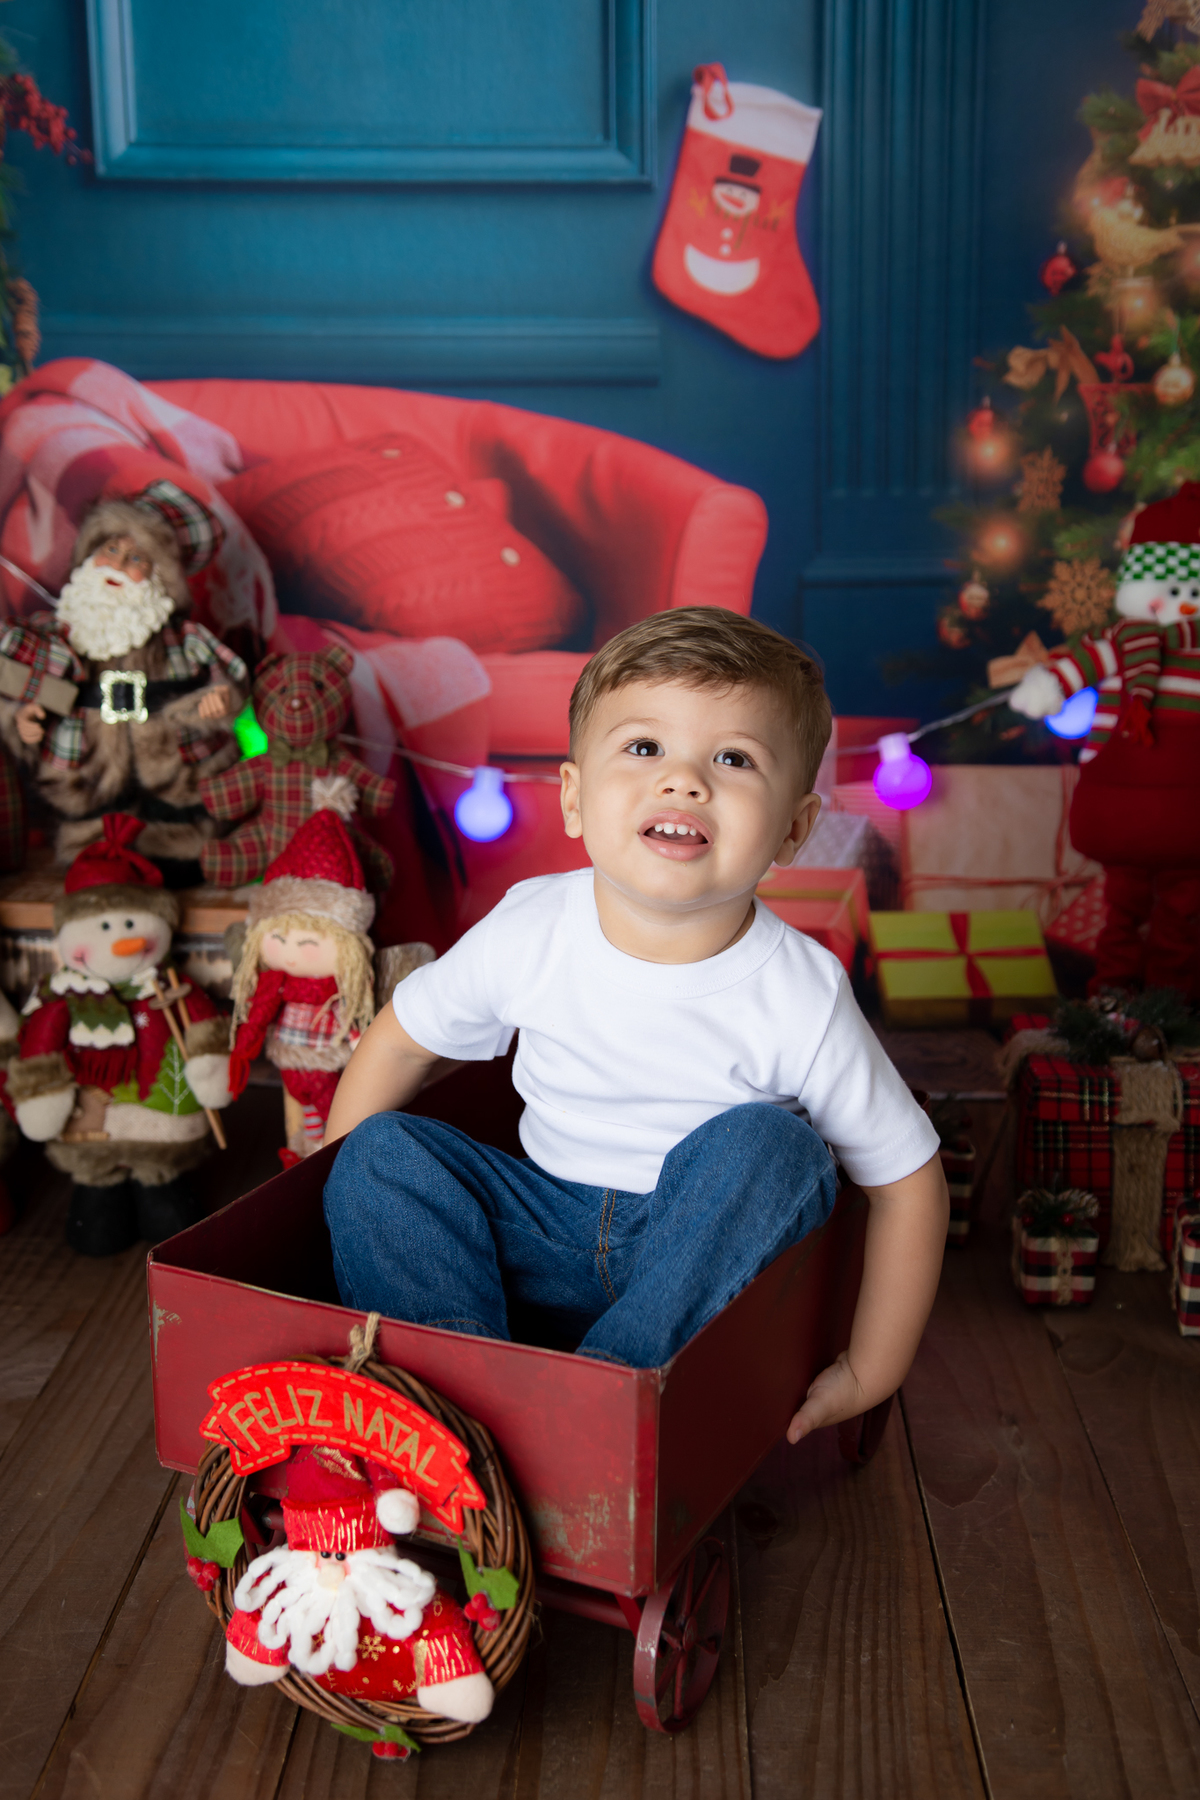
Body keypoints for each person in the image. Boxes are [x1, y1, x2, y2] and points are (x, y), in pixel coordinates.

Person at [323, 608, 946, 1443]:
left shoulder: (802, 991)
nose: (685, 780)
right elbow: (400, 1038)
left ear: (793, 829)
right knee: (380, 1154)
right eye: (645, 748)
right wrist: (327, 1198)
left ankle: (599, 1404)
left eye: (733, 758)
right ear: (575, 798)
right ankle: (454, 1394)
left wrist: (874, 1369)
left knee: (775, 1148)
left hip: (700, 1253)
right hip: (538, 1222)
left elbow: (909, 1182)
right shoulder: (532, 927)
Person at [0, 498, 248, 883]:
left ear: (158, 577)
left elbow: (228, 675)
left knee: (180, 841)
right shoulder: (56, 634)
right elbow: (21, 680)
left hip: (174, 774)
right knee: (95, 864)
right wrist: (22, 717)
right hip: (87, 773)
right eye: (110, 549)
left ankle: (177, 850)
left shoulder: (182, 639)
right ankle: (95, 854)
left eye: (135, 559)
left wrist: (218, 699)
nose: (117, 564)